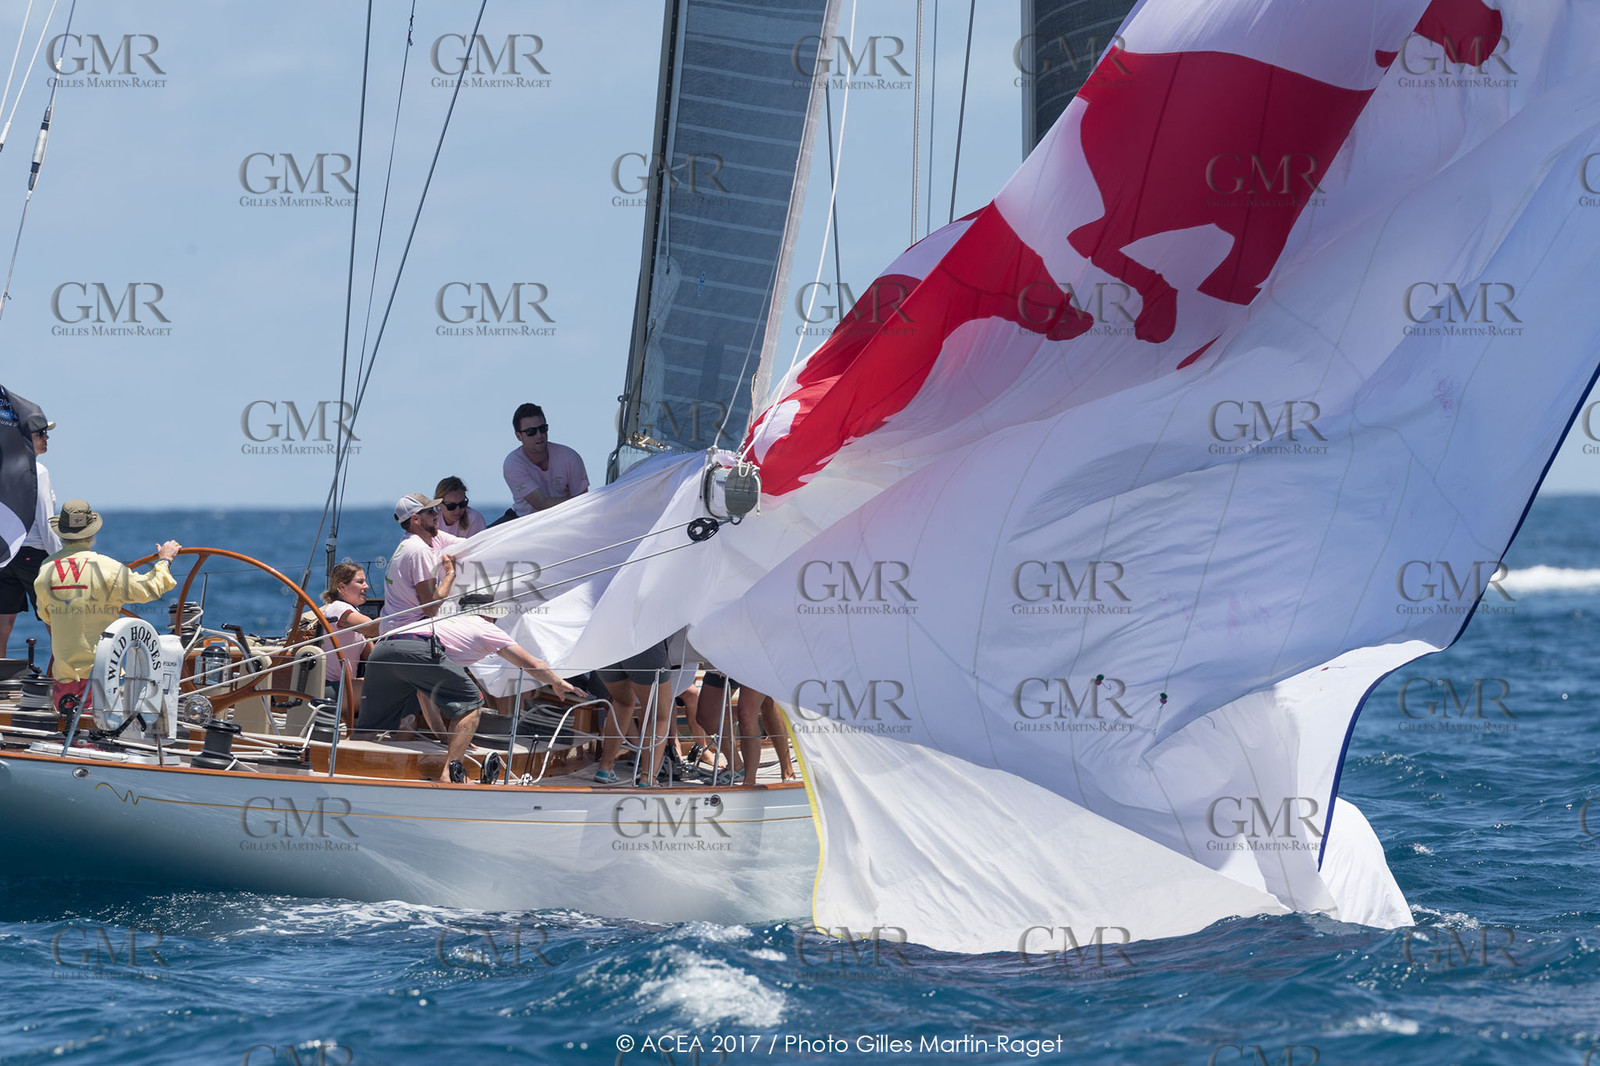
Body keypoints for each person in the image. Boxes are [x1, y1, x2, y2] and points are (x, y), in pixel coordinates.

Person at [358, 493, 474, 781]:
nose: (438, 514)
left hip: (384, 648)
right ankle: (451, 774)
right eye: (431, 511)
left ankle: (352, 775)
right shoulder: (419, 552)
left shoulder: (414, 545)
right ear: (415, 519)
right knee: (471, 701)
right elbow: (430, 605)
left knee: (370, 726)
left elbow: (466, 544)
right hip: (411, 645)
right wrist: (449, 575)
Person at [31, 499, 180, 712]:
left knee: (69, 730)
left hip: (63, 677)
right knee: (98, 735)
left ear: (61, 533)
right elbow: (151, 588)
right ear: (92, 533)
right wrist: (165, 560)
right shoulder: (108, 568)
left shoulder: (46, 569)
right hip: (102, 676)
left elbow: (47, 619)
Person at [0, 413, 60, 656]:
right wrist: (61, 556)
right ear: (25, 439)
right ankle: (58, 679)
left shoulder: (5, 468)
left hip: (5, 554)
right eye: (40, 434)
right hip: (33, 555)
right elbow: (45, 521)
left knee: (3, 623)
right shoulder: (38, 470)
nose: (47, 438)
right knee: (55, 621)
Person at [592, 639, 674, 785]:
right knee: (658, 715)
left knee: (622, 702)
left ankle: (605, 768)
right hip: (645, 642)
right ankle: (648, 779)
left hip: (606, 642)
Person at [502, 402, 589, 518]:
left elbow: (584, 503)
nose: (539, 435)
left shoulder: (570, 457)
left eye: (543, 429)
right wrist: (576, 503)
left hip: (567, 519)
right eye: (531, 432)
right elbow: (541, 503)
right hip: (524, 524)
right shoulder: (513, 464)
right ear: (518, 436)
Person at [316, 562, 377, 699]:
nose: (366, 586)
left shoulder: (353, 616)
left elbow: (373, 659)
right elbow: (373, 628)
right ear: (342, 587)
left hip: (341, 687)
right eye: (360, 582)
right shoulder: (338, 608)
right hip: (330, 688)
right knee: (390, 689)